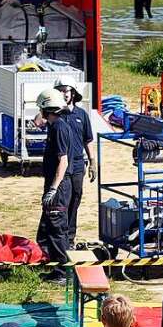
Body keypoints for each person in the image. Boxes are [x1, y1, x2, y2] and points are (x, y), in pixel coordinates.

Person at [36, 88, 76, 280]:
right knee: (50, 228)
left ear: (46, 109)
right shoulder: (55, 126)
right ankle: (57, 266)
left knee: (57, 229)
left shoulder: (60, 128)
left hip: (59, 187)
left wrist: (53, 189)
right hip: (56, 184)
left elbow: (63, 161)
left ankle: (62, 273)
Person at [55, 76, 96, 248]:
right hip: (62, 166)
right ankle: (61, 238)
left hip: (79, 165)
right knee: (63, 201)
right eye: (61, 91)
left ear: (73, 93)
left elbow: (88, 140)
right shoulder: (54, 114)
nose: (64, 94)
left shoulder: (82, 115)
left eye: (66, 91)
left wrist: (93, 161)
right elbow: (37, 121)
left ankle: (70, 238)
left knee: (75, 200)